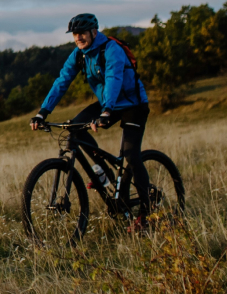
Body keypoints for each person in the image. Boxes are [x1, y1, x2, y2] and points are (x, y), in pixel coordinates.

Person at [30, 13, 152, 232]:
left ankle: (146, 213)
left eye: (82, 33)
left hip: (133, 104)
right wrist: (42, 112)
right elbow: (62, 82)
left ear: (94, 32)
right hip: (108, 103)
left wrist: (106, 112)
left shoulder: (111, 49)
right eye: (75, 34)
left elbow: (114, 78)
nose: (78, 38)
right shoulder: (79, 55)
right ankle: (102, 174)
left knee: (132, 155)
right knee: (75, 129)